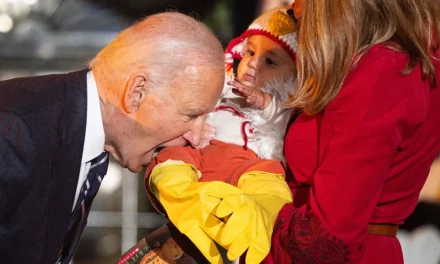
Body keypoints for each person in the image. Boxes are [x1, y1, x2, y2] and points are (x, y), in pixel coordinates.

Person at [202, 0, 440, 263]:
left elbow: (328, 235)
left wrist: (231, 196)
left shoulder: (383, 68)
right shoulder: (412, 56)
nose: (295, 8)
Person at [0, 12, 226, 264]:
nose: (197, 137)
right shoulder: (12, 132)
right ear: (137, 93)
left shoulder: (90, 135)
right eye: (192, 115)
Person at [144, 5, 299, 264]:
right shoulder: (223, 87)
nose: (252, 63)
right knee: (168, 166)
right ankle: (199, 205)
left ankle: (244, 243)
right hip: (202, 156)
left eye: (270, 62)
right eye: (250, 52)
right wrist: (197, 121)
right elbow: (191, 102)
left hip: (251, 169)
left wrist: (265, 101)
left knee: (273, 196)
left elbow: (285, 121)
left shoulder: (287, 107)